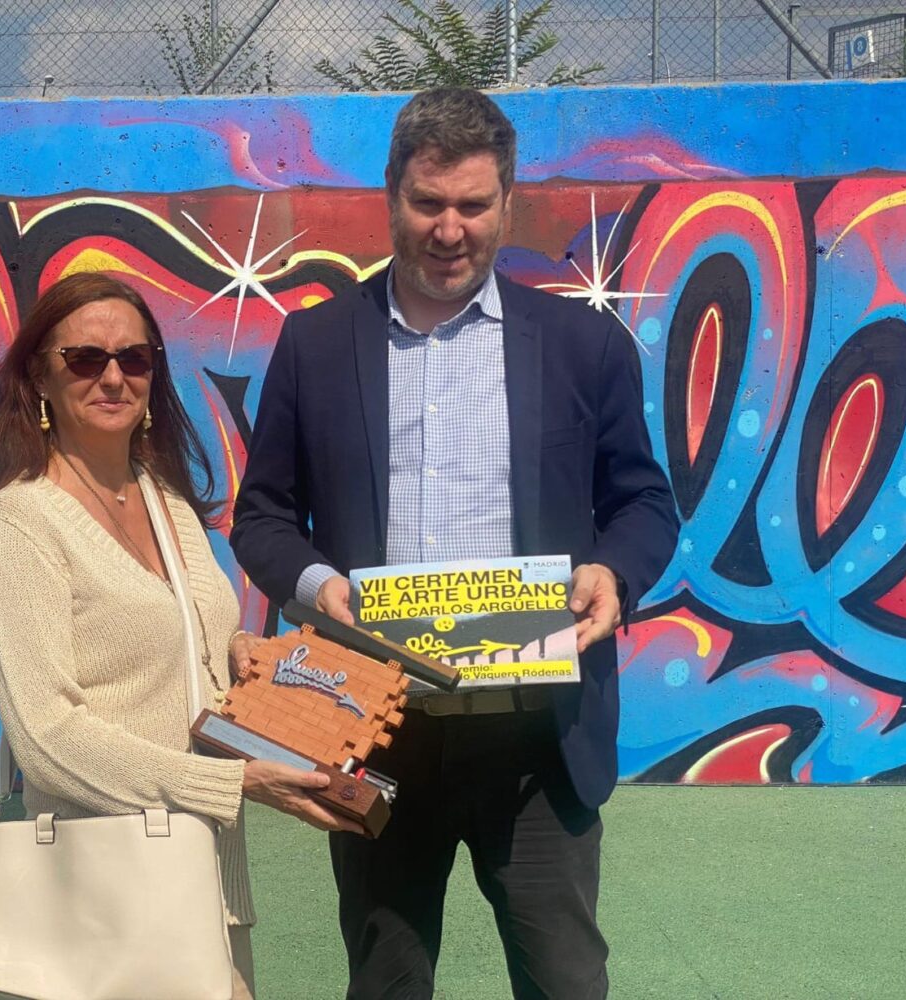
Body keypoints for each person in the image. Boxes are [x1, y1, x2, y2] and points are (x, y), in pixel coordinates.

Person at [231, 88, 679, 999]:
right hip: (379, 728)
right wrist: (319, 587)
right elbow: (263, 515)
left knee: (565, 983)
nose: (449, 230)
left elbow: (643, 502)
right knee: (387, 982)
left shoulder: (583, 344)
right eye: (427, 203)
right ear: (390, 196)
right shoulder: (316, 344)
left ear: (507, 203)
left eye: (473, 205)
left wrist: (612, 571)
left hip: (539, 742)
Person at [0, 272, 359, 1000]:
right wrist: (229, 782)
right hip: (104, 898)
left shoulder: (167, 500)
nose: (113, 377)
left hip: (208, 881)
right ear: (39, 375)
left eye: (134, 359)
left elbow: (189, 646)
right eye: (85, 358)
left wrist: (241, 660)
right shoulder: (22, 521)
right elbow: (46, 737)